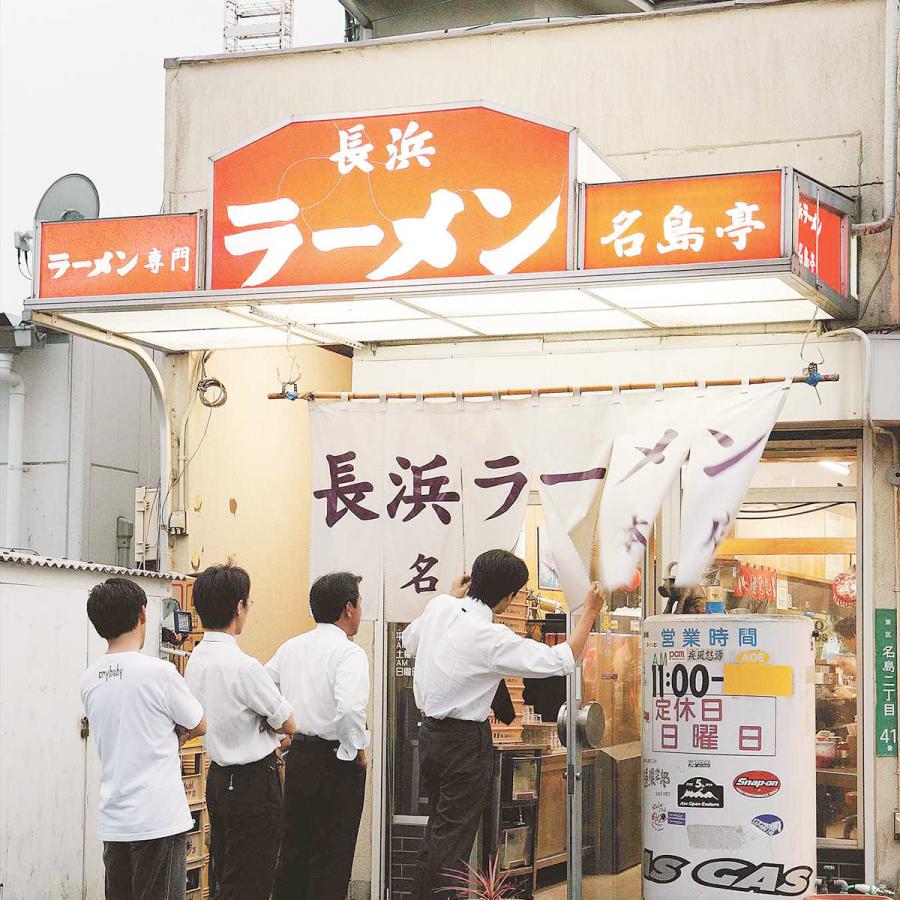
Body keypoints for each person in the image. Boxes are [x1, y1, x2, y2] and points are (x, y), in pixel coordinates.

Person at [402, 549, 605, 898]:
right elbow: (562, 659)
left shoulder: (440, 606)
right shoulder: (490, 637)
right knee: (452, 842)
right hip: (464, 743)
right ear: (509, 597)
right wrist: (590, 611)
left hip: (431, 737)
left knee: (438, 831)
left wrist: (452, 596)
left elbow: (409, 642)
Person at [81, 577, 206, 900]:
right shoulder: (159, 673)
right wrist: (175, 737)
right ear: (143, 615)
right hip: (157, 818)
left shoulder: (90, 679)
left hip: (114, 819)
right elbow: (199, 723)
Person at [184, 563, 296, 900]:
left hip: (218, 777)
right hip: (253, 782)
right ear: (239, 607)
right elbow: (288, 722)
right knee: (254, 875)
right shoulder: (244, 666)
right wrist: (269, 725)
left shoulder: (196, 660)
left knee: (227, 870)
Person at [266, 572, 370, 900]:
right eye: (360, 602)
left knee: (294, 852)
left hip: (299, 756)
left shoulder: (290, 647)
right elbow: (351, 710)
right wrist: (355, 749)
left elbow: (263, 691)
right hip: (334, 760)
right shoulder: (349, 653)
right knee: (332, 857)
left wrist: (277, 733)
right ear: (349, 608)